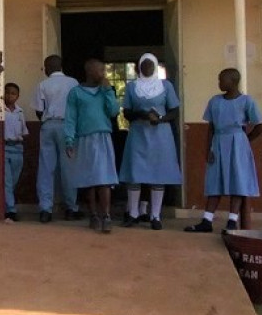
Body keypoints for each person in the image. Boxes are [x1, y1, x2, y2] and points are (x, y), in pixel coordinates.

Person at [186, 68, 262, 233]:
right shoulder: (215, 101)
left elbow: (260, 126)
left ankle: (232, 221)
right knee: (215, 180)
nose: (219, 83)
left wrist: (244, 140)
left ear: (233, 81)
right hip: (219, 142)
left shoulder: (247, 101)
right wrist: (208, 149)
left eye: (222, 80)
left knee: (238, 181)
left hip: (238, 143)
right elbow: (211, 128)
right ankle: (207, 220)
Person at [119, 53, 181, 231]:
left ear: (155, 66)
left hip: (160, 134)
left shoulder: (166, 86)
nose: (147, 68)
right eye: (143, 65)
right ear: (139, 67)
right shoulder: (132, 87)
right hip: (138, 133)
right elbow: (127, 113)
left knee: (158, 174)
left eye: (150, 65)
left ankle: (155, 215)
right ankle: (133, 213)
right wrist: (141, 115)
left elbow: (174, 110)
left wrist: (160, 118)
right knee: (134, 173)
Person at [64, 59, 120, 234]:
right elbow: (71, 117)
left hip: (103, 137)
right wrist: (69, 140)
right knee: (89, 179)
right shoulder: (76, 93)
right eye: (100, 70)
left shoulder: (105, 91)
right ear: (90, 71)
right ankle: (93, 215)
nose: (103, 74)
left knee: (104, 178)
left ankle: (107, 216)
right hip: (84, 138)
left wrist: (108, 91)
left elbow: (113, 111)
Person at [32, 55, 81, 221]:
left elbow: (39, 110)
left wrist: (47, 119)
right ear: (61, 66)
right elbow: (77, 107)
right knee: (69, 168)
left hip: (48, 126)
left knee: (46, 168)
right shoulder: (73, 83)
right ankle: (71, 208)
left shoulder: (42, 85)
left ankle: (45, 209)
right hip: (68, 126)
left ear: (46, 68)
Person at [0, 82, 28, 223]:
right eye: (7, 92)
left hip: (17, 148)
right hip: (3, 148)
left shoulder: (20, 112)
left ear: (18, 96)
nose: (10, 96)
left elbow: (24, 132)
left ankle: (6, 205)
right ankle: (11, 210)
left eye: (13, 93)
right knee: (6, 181)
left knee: (13, 181)